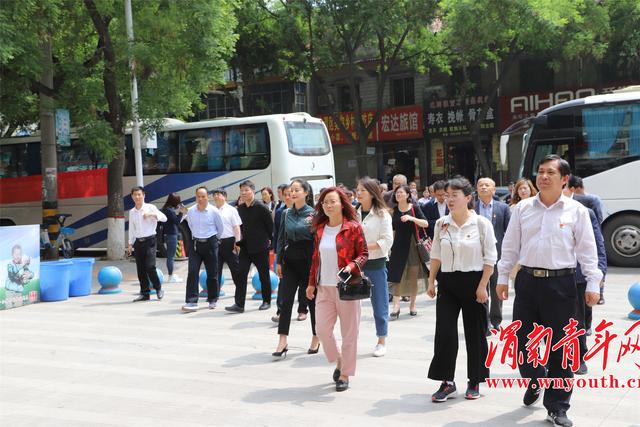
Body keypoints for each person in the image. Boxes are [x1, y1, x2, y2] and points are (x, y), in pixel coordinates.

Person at [497, 154, 603, 427]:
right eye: (540, 172)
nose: (543, 177)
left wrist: (593, 283)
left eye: (550, 173)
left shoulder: (576, 211)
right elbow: (510, 246)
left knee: (562, 347)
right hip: (528, 282)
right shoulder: (522, 209)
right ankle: (535, 380)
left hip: (562, 284)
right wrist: (502, 277)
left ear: (564, 179)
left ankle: (557, 407)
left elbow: (587, 251)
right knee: (524, 342)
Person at [427, 177, 497, 401]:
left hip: (474, 282)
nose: (449, 200)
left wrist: (483, 286)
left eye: (454, 195)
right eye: (447, 195)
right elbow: (436, 254)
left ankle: (474, 380)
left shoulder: (481, 224)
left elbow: (490, 258)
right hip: (447, 283)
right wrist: (431, 281)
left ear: (468, 198)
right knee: (445, 333)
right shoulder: (441, 224)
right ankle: (447, 382)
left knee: (475, 334)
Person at [306, 187, 368, 392]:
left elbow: (363, 254)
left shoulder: (353, 227)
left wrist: (351, 267)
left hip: (347, 288)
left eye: (333, 201)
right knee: (322, 330)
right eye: (325, 202)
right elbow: (316, 259)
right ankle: (339, 359)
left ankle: (345, 374)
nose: (329, 205)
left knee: (349, 334)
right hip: (324, 287)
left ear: (342, 203)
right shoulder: (320, 229)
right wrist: (311, 283)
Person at [562, 186, 607, 375]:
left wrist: (600, 274)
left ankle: (578, 357)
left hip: (578, 275)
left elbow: (598, 243)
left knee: (576, 320)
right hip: (550, 276)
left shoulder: (583, 211)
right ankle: (553, 356)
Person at [273, 179, 319, 358]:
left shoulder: (314, 213)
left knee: (312, 301)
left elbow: (317, 240)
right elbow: (281, 238)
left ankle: (316, 336)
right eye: (291, 190)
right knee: (285, 301)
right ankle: (282, 340)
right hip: (290, 259)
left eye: (297, 190)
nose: (292, 193)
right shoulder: (285, 213)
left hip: (309, 259)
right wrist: (278, 261)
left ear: (306, 193)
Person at [356, 177, 393, 357]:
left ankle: (381, 339)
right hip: (355, 265)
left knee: (379, 303)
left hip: (376, 264)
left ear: (371, 193)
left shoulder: (382, 215)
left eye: (362, 190)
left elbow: (387, 241)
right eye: (357, 190)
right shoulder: (352, 212)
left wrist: (362, 246)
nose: (358, 193)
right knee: (351, 302)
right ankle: (350, 338)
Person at [226, 180, 274, 313]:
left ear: (253, 191)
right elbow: (239, 228)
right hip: (246, 247)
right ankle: (239, 305)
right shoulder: (240, 209)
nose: (244, 193)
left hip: (260, 247)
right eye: (242, 190)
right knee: (241, 274)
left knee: (264, 275)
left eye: (246, 190)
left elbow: (271, 228)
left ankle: (266, 301)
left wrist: (271, 243)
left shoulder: (262, 208)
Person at [387, 184, 429, 319]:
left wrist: (411, 218)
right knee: (396, 276)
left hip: (413, 245)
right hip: (398, 246)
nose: (398, 195)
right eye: (396, 193)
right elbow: (392, 230)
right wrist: (389, 247)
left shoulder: (415, 208)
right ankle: (396, 306)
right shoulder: (393, 211)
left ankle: (413, 304)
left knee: (413, 276)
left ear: (408, 195)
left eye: (401, 192)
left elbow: (425, 223)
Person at [474, 177, 511, 332]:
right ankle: (484, 321)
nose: (483, 187)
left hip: (497, 254)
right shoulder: (471, 208)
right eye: (480, 185)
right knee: (481, 288)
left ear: (493, 189)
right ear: (476, 189)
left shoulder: (503, 208)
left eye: (487, 185)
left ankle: (496, 319)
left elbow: (509, 233)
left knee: (496, 287)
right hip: (476, 255)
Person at [181, 186, 224, 312]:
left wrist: (214, 240)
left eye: (203, 196)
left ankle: (212, 299)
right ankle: (191, 301)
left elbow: (220, 229)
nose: (201, 199)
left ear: (207, 197)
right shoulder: (191, 211)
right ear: (196, 197)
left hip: (211, 243)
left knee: (212, 273)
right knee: (192, 272)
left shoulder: (214, 211)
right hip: (196, 244)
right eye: (198, 197)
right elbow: (190, 226)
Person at [128, 186, 167, 302]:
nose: (137, 197)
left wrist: (151, 215)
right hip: (138, 242)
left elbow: (164, 218)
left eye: (139, 194)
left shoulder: (150, 207)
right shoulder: (132, 212)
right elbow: (131, 228)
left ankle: (158, 288)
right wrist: (130, 243)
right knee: (140, 269)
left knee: (150, 266)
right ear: (132, 196)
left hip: (150, 241)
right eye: (135, 195)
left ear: (144, 195)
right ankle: (144, 293)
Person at [211, 188, 243, 296]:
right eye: (214, 194)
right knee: (215, 270)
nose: (216, 196)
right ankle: (215, 294)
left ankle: (240, 293)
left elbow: (236, 227)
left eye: (218, 194)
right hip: (216, 242)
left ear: (225, 197)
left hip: (230, 242)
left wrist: (237, 242)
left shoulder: (231, 210)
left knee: (235, 269)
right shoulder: (212, 210)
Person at [271, 184, 293, 323]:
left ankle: (302, 310)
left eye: (291, 193)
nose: (288, 196)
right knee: (283, 283)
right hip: (285, 254)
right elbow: (277, 235)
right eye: (285, 194)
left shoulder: (307, 212)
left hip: (302, 255)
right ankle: (281, 312)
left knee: (304, 286)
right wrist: (277, 256)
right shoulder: (280, 213)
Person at [161, 192, 186, 283]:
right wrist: (181, 213)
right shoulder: (169, 211)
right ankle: (171, 276)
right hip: (171, 235)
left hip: (169, 234)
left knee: (170, 256)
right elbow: (177, 221)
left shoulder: (166, 209)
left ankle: (171, 275)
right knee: (171, 257)